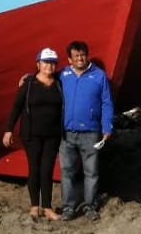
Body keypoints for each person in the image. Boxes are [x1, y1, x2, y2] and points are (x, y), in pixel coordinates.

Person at [3, 47, 63, 221]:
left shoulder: (59, 84)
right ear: (38, 64)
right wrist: (8, 130)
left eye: (52, 63)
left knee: (47, 170)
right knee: (34, 169)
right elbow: (16, 108)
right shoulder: (28, 84)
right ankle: (34, 206)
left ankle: (47, 207)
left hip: (52, 135)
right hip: (31, 135)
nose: (49, 66)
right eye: (46, 62)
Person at [58, 40, 114, 222]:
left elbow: (106, 102)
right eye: (76, 56)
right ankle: (68, 208)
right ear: (70, 59)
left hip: (91, 133)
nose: (80, 58)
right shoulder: (63, 75)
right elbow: (45, 81)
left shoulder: (99, 76)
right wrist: (28, 78)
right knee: (67, 172)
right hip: (67, 133)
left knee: (91, 172)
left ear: (87, 55)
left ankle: (90, 206)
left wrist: (107, 126)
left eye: (83, 55)